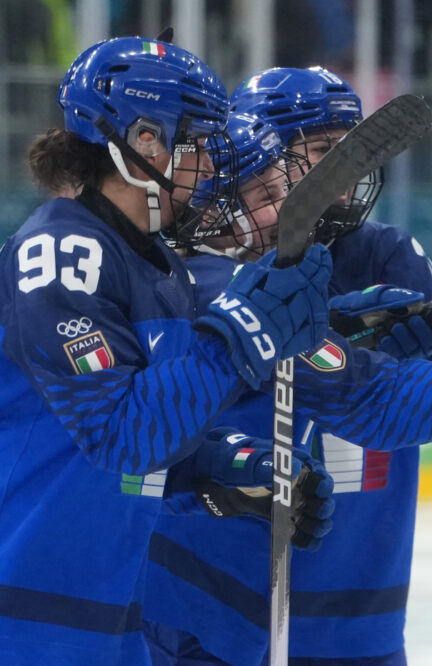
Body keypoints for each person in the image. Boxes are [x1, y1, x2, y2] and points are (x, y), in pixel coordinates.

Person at [143, 68, 432, 666]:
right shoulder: (197, 276)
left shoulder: (381, 251)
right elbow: (367, 388)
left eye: (355, 153)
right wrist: (356, 337)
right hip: (222, 609)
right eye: (322, 154)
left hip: (359, 611)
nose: (345, 180)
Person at [0, 37, 333, 664]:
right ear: (144, 141)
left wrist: (231, 469)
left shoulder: (158, 266)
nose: (210, 163)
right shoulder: (61, 254)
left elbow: (148, 452)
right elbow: (119, 435)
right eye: (198, 142)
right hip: (25, 620)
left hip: (113, 619)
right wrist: (243, 332)